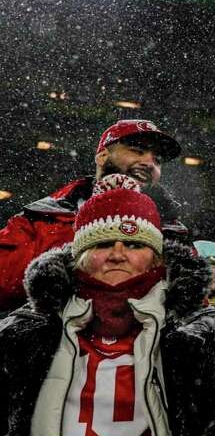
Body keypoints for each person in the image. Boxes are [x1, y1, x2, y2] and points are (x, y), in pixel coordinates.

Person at [0, 175, 215, 436]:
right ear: (79, 257)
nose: (117, 253)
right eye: (101, 244)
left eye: (134, 244)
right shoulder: (23, 330)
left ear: (157, 257)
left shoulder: (204, 331)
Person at [0, 119, 185, 313]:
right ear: (103, 156)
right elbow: (4, 286)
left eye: (157, 160)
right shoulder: (42, 217)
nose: (149, 163)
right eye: (137, 150)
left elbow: (192, 311)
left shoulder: (173, 232)